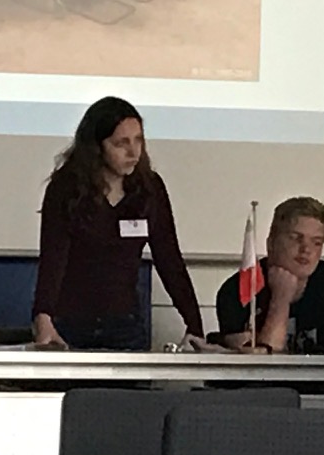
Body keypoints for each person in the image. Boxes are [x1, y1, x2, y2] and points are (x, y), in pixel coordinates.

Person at [33, 97, 204, 351]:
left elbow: (169, 260)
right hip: (71, 324)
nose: (133, 152)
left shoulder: (149, 188)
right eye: (121, 143)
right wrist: (43, 316)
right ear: (97, 147)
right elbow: (52, 259)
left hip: (125, 325)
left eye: (138, 140)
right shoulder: (66, 188)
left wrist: (195, 326)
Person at [215, 197, 324, 354]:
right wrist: (281, 299)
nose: (306, 249)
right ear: (271, 243)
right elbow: (261, 362)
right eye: (295, 238)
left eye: (316, 242)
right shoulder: (239, 288)